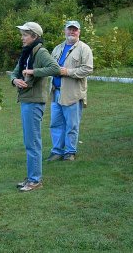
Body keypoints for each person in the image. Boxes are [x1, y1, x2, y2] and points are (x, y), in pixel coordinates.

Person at [10, 22, 60, 192]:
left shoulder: (41, 52)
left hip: (34, 102)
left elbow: (55, 68)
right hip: (26, 100)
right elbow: (15, 72)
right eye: (22, 34)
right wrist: (14, 80)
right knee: (29, 141)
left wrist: (33, 71)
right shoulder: (26, 53)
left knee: (33, 142)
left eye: (25, 34)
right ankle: (32, 177)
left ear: (34, 36)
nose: (22, 38)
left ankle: (35, 180)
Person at [47, 20, 93, 161]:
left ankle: (70, 152)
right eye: (69, 29)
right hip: (56, 92)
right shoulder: (57, 48)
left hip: (73, 93)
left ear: (79, 32)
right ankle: (57, 151)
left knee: (71, 125)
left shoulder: (84, 48)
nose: (72, 32)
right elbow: (50, 65)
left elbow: (88, 69)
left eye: (75, 29)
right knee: (56, 124)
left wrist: (67, 72)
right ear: (65, 31)